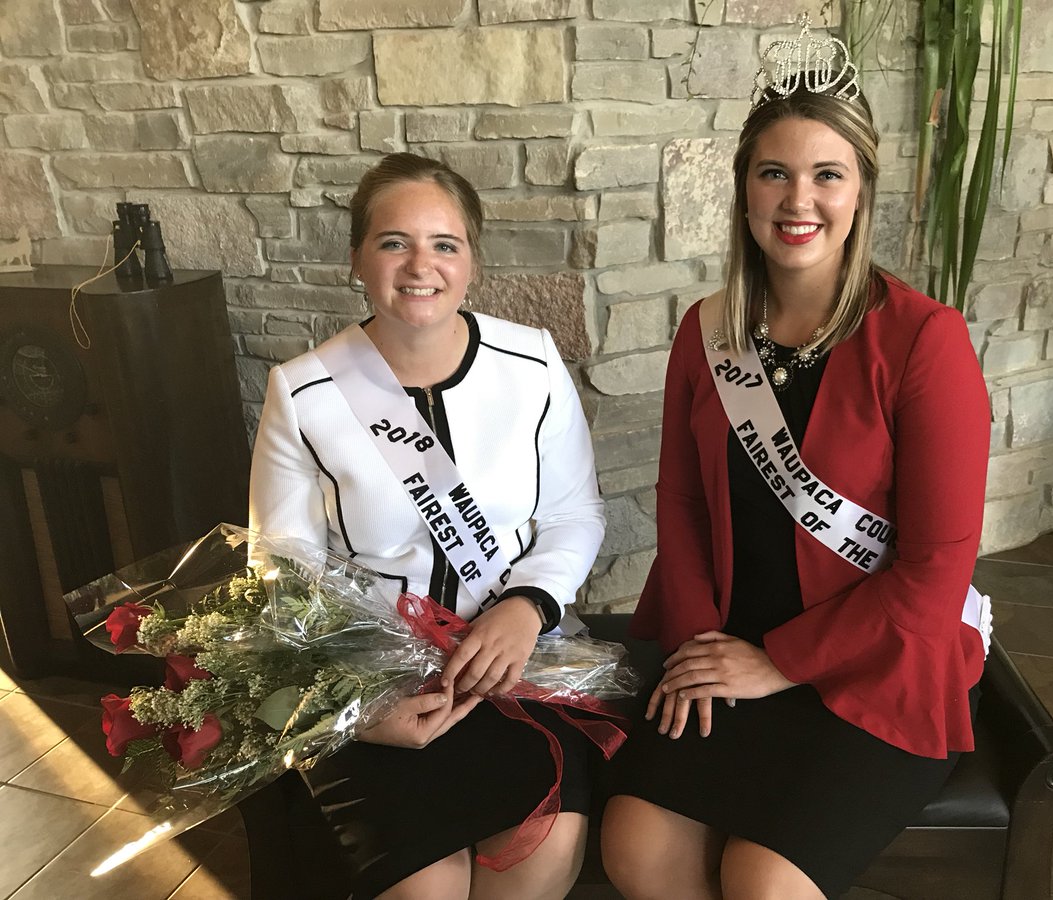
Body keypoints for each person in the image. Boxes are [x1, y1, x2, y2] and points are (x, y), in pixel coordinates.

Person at [600, 20, 992, 900]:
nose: (797, 199)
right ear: (744, 187)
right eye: (774, 172)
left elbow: (935, 568)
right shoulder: (707, 332)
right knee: (637, 847)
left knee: (764, 880)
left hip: (877, 660)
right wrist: (700, 648)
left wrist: (778, 663)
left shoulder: (924, 339)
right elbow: (681, 504)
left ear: (860, 193)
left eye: (827, 174)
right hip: (732, 644)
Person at [248, 152, 605, 900]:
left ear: (471, 260)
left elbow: (573, 514)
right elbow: (283, 574)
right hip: (372, 682)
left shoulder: (533, 365)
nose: (421, 266)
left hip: (514, 666)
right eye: (393, 242)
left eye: (445, 244)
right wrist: (356, 709)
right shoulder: (304, 391)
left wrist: (526, 606)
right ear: (357, 258)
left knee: (543, 853)